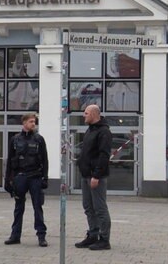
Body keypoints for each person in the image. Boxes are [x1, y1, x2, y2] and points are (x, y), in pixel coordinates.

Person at [4, 113, 49, 247]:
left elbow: (45, 160)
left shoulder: (39, 139)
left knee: (37, 207)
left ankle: (41, 236)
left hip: (35, 177)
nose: (33, 124)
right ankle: (15, 235)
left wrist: (45, 178)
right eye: (30, 121)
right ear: (23, 123)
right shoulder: (15, 140)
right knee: (18, 208)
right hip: (20, 177)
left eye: (34, 122)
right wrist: (7, 180)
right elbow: (10, 161)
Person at [75, 104, 112, 251]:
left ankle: (104, 239)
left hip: (96, 177)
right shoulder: (90, 130)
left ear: (94, 115)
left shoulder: (104, 132)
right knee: (88, 207)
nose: (84, 115)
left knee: (100, 208)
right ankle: (93, 234)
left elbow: (104, 155)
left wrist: (96, 175)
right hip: (86, 175)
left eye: (86, 113)